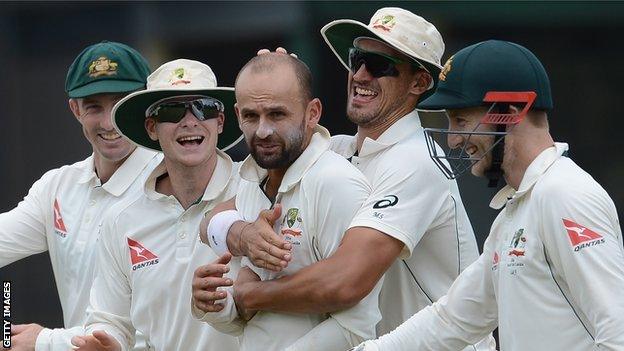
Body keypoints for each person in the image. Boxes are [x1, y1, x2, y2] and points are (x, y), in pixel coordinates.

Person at [196, 7, 494, 350]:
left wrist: (251, 295)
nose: (362, 75)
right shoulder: (337, 150)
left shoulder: (417, 160)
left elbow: (346, 283)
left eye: (381, 66)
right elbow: (210, 219)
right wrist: (241, 234)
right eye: (358, 59)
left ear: (419, 82)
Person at [353, 40, 624, 350]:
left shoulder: (563, 195)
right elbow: (453, 320)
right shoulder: (516, 212)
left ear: (510, 112)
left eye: (461, 120)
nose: (453, 139)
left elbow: (618, 332)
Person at [192, 52, 382, 351]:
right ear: (237, 114)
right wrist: (214, 303)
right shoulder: (251, 184)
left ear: (312, 113)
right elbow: (248, 314)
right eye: (251, 116)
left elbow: (359, 325)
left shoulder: (336, 183)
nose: (263, 130)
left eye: (277, 114)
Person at [66, 59, 243, 351]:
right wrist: (106, 340)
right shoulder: (120, 218)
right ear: (151, 127)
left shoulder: (256, 190)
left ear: (220, 121)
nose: (190, 120)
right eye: (172, 110)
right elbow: (110, 318)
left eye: (204, 108)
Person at [0, 41, 161, 351]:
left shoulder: (172, 185)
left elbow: (149, 335)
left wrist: (46, 341)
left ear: (143, 105)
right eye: (93, 107)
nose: (108, 122)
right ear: (75, 109)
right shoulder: (57, 187)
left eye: (120, 104)